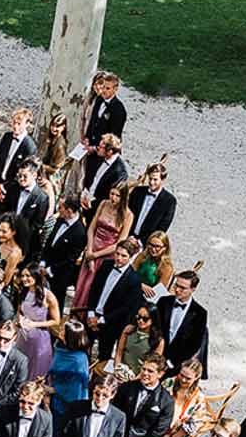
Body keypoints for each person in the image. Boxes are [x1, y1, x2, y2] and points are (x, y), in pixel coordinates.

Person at [71, 183, 128, 314]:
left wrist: (96, 255)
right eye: (112, 193)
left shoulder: (127, 215)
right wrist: (90, 250)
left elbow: (120, 243)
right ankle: (73, 317)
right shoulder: (103, 204)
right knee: (81, 285)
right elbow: (92, 228)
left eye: (117, 195)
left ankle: (84, 317)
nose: (113, 198)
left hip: (106, 254)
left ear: (123, 197)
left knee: (92, 287)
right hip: (93, 247)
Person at [153, 269, 209, 376]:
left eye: (182, 288)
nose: (177, 290)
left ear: (193, 289)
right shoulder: (163, 302)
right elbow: (154, 328)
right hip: (155, 357)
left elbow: (194, 344)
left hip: (176, 366)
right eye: (176, 285)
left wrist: (172, 362)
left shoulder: (200, 313)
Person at [15, 263, 61, 380]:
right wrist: (20, 320)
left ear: (36, 277)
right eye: (23, 276)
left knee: (35, 371)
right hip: (23, 337)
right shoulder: (23, 292)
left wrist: (34, 324)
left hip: (39, 339)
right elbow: (20, 310)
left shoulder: (48, 296)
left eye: (28, 276)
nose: (24, 279)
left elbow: (56, 321)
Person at [48, 321, 91, 433]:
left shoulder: (78, 360)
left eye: (63, 331)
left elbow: (74, 389)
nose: (60, 331)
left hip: (67, 404)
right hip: (55, 396)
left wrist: (53, 390)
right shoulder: (60, 347)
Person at [0, 108, 36, 202]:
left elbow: (23, 173)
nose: (15, 126)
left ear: (27, 124)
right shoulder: (7, 137)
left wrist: (3, 188)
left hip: (12, 191)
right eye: (14, 122)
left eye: (19, 124)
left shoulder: (29, 147)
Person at [127, 160, 176, 242]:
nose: (151, 182)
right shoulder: (137, 192)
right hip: (128, 237)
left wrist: (141, 242)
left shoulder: (169, 201)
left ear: (163, 180)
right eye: (150, 179)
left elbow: (162, 228)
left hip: (147, 243)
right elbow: (127, 213)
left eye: (155, 179)